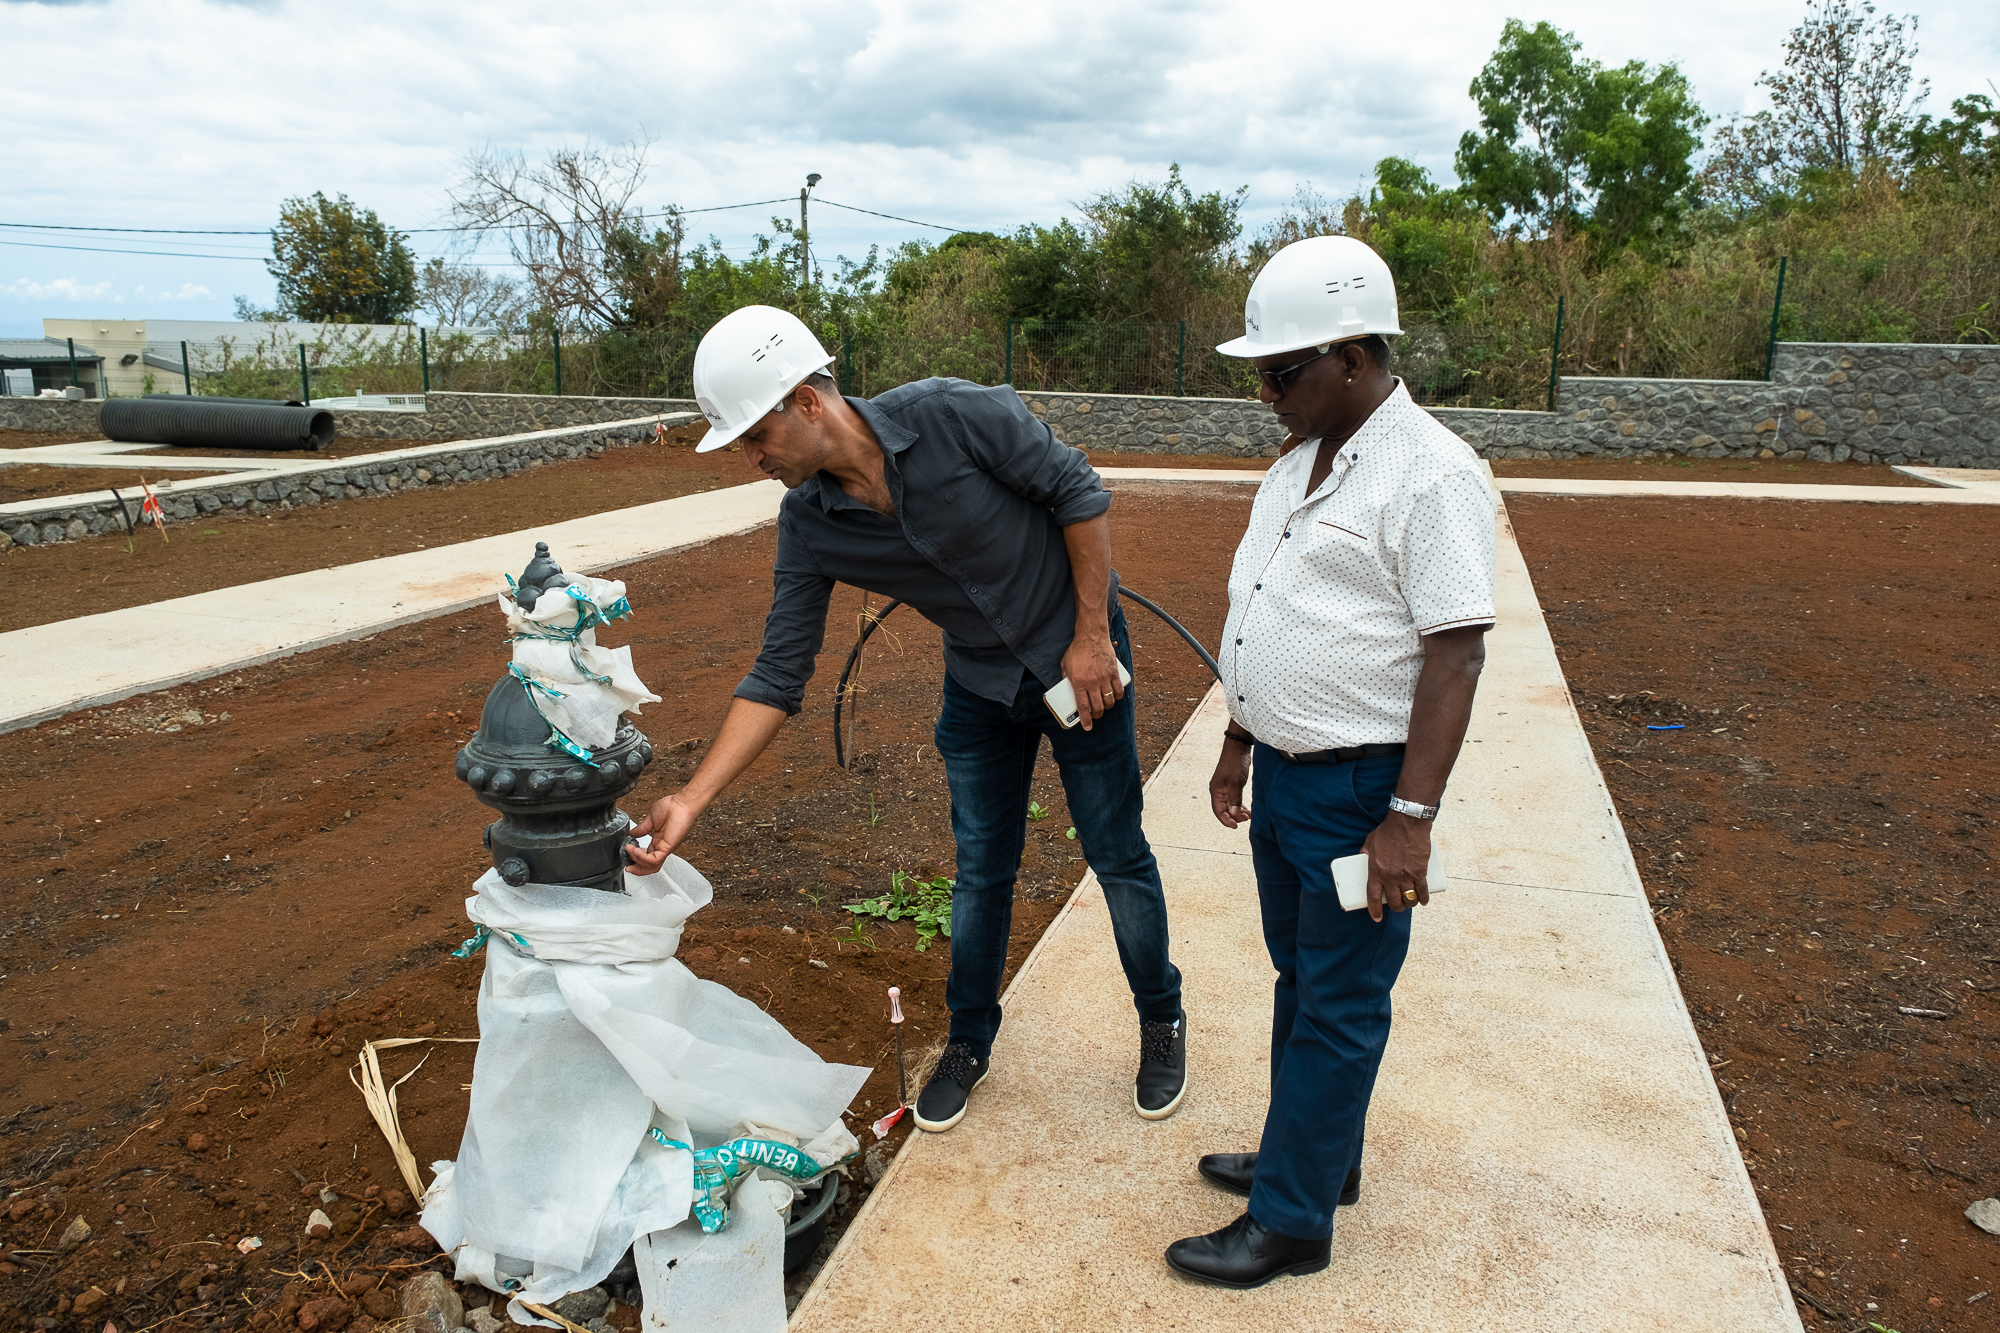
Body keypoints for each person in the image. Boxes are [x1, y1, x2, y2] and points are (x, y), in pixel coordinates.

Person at [625, 305, 1187, 1133]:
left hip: (1081, 662)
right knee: (980, 873)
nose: (752, 457)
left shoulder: (955, 414)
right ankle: (968, 1041)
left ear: (807, 403)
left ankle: (1160, 1017)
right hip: (981, 692)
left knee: (1115, 851)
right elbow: (780, 672)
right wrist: (692, 799)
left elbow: (1078, 491)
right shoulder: (809, 527)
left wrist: (1094, 636)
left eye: (756, 433)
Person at [1163, 236, 1496, 1288]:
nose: (1264, 391)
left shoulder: (1431, 473)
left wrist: (1410, 817)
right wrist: (1233, 739)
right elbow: (1262, 610)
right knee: (1300, 978)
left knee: (1341, 997)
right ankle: (1313, 1155)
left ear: (1352, 356)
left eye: (1281, 371)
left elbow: (1455, 649)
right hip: (1286, 777)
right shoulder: (1295, 462)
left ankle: (1293, 1221)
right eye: (1259, 371)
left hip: (1362, 792)